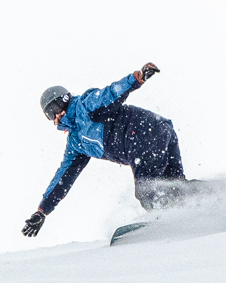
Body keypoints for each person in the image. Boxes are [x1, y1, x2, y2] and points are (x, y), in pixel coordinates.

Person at [21, 62, 188, 237]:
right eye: (49, 115)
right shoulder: (76, 144)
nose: (55, 116)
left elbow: (109, 94)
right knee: (175, 187)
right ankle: (210, 200)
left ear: (63, 100)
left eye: (54, 109)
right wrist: (42, 211)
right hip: (161, 130)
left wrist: (136, 78)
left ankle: (164, 225)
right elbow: (63, 178)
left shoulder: (84, 106)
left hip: (144, 135)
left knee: (147, 191)